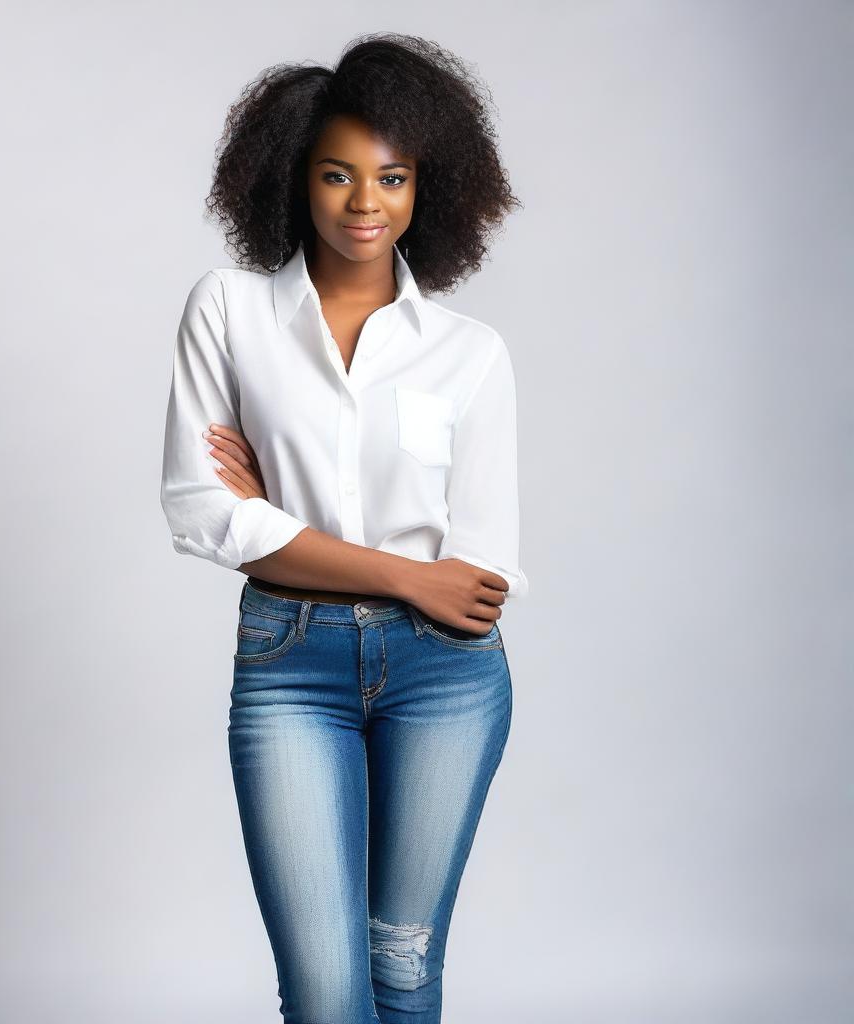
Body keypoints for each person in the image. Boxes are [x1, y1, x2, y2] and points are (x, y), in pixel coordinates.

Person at [160, 32, 529, 1024]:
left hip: (444, 674)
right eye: (337, 174)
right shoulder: (229, 315)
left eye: (392, 177)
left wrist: (278, 519)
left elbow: (479, 576)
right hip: (290, 666)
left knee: (401, 973)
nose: (365, 203)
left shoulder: (471, 356)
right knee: (327, 995)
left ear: (427, 188)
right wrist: (405, 573)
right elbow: (200, 513)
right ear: (293, 179)